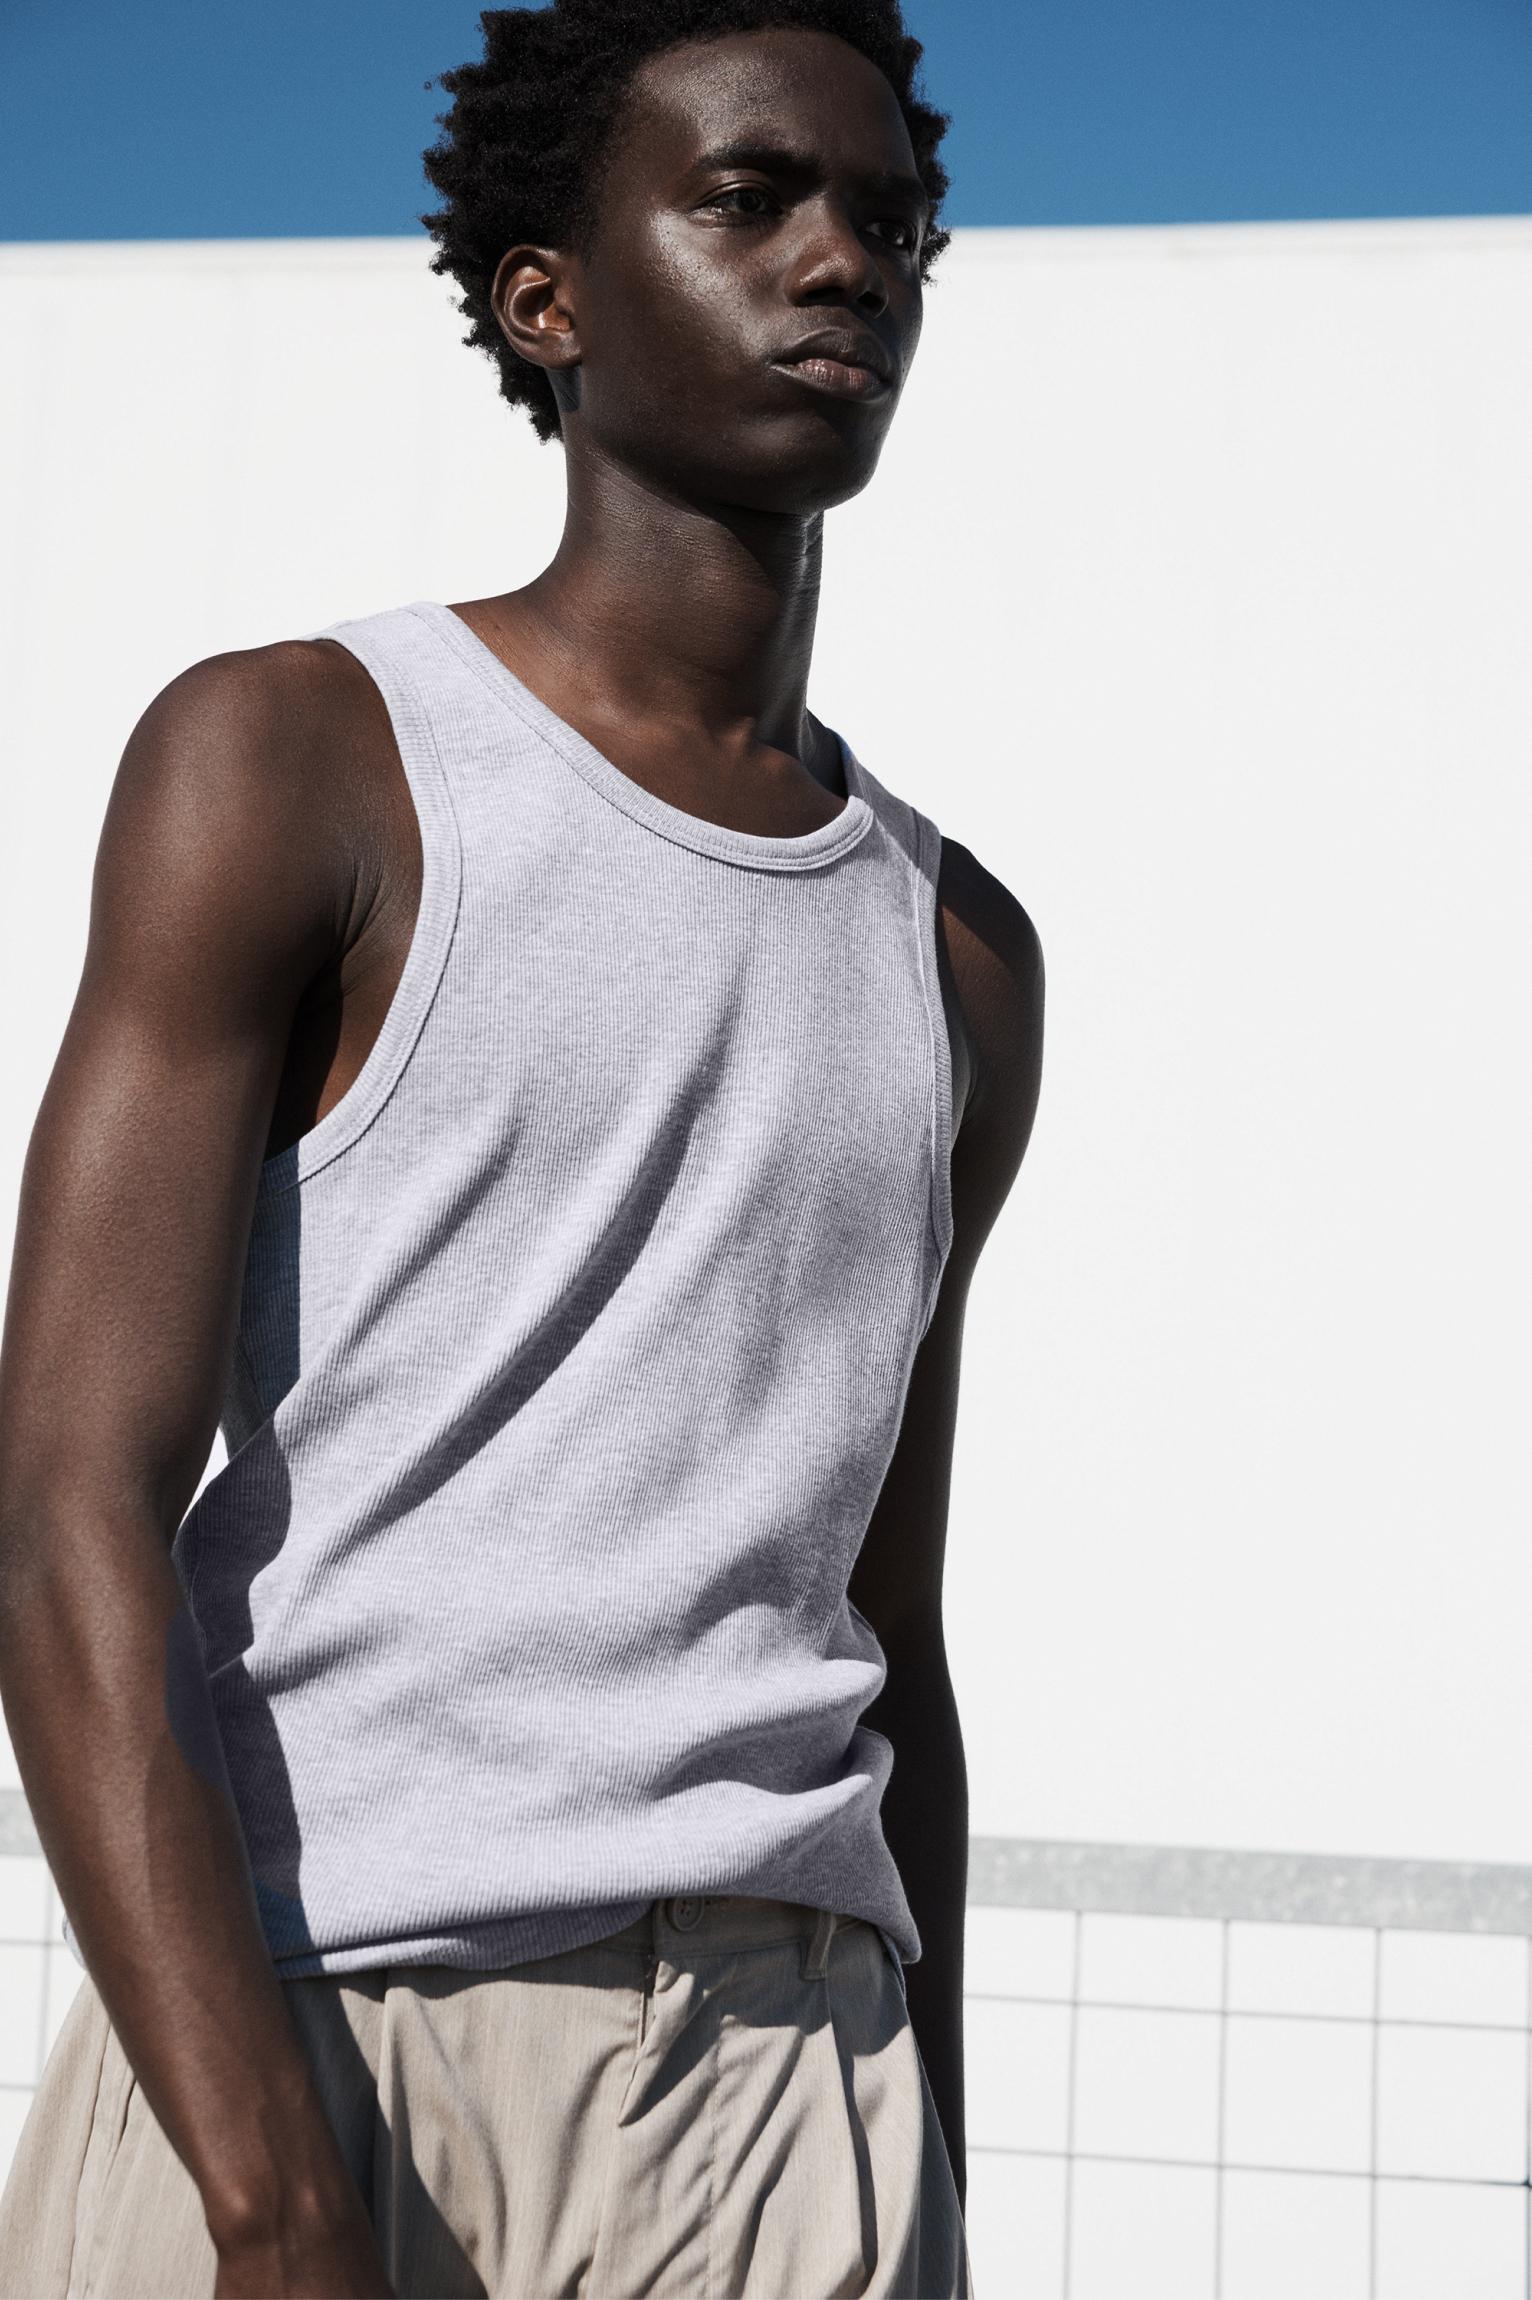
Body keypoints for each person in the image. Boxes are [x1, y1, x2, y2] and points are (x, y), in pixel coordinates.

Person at [0, 2, 1044, 2293]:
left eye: (892, 222)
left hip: (798, 2081)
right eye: (750, 199)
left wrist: (936, 2172)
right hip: (327, 2040)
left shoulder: (958, 953)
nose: (845, 262)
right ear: (544, 299)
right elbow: (67, 1504)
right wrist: (270, 2196)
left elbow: (886, 1628)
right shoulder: (299, 761)